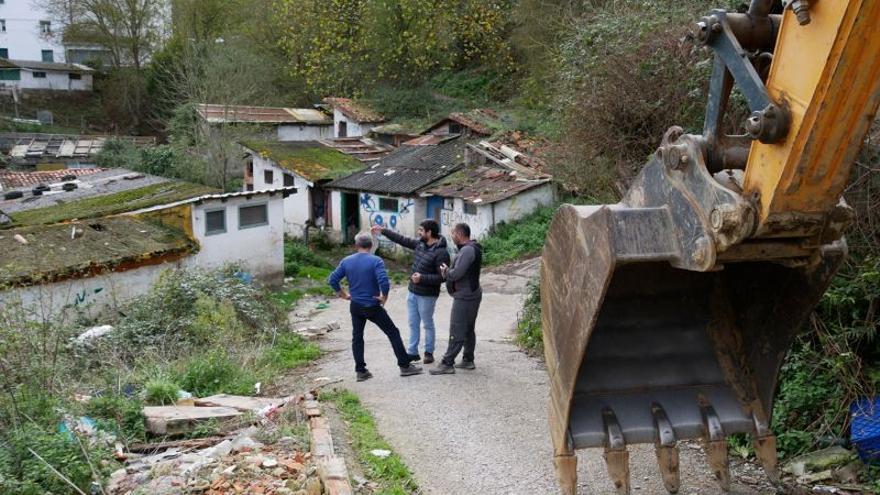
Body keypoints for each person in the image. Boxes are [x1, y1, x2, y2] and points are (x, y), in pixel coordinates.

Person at [328, 232, 424, 381]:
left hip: (356, 305)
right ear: (371, 245)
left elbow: (332, 279)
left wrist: (343, 294)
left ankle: (361, 371)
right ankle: (404, 366)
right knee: (393, 332)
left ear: (356, 245)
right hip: (372, 304)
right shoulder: (376, 261)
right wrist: (384, 296)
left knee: (357, 337)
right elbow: (384, 281)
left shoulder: (347, 261)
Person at [371, 219, 450, 364]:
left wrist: (422, 278)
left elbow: (443, 277)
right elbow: (402, 240)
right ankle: (413, 352)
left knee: (427, 324)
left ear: (429, 232)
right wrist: (383, 230)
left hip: (427, 295)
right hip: (412, 291)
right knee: (413, 323)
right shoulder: (420, 244)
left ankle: (428, 352)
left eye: (421, 230)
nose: (418, 232)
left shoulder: (442, 253)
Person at [430, 223, 483, 375]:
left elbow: (457, 274)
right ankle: (468, 359)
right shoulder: (473, 247)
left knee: (457, 328)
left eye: (453, 233)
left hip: (465, 296)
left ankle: (447, 363)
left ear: (459, 234)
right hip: (472, 294)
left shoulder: (467, 250)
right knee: (468, 328)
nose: (451, 236)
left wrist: (446, 271)